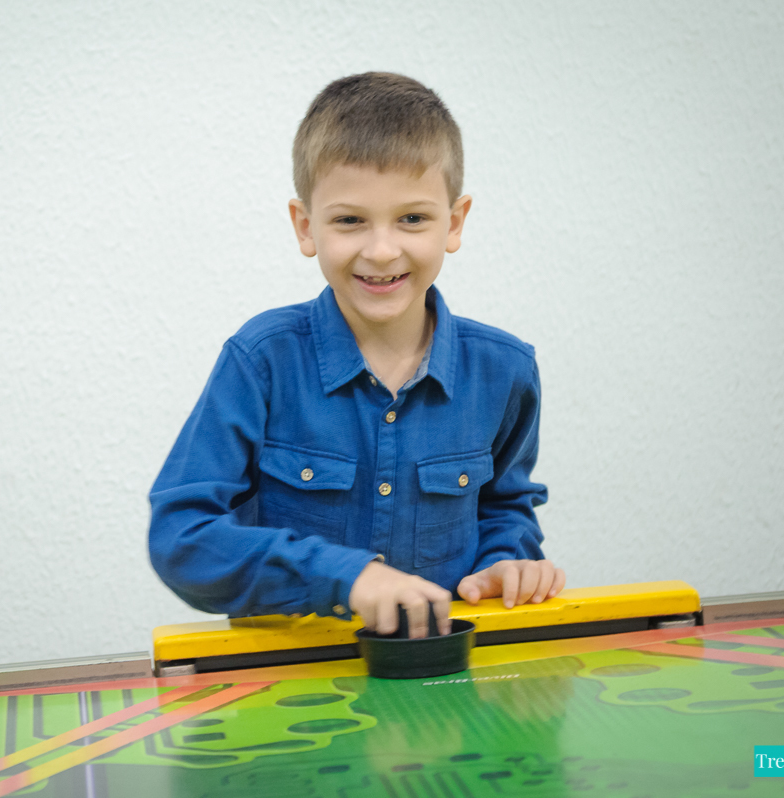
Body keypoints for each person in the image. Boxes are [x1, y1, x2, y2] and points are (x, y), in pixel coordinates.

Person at [149, 72, 564, 640]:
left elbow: (505, 509)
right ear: (306, 226)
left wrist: (506, 565)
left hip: (445, 692)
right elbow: (181, 537)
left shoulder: (506, 370)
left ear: (455, 222)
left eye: (412, 218)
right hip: (289, 697)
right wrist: (347, 578)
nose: (382, 249)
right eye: (350, 220)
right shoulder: (261, 359)